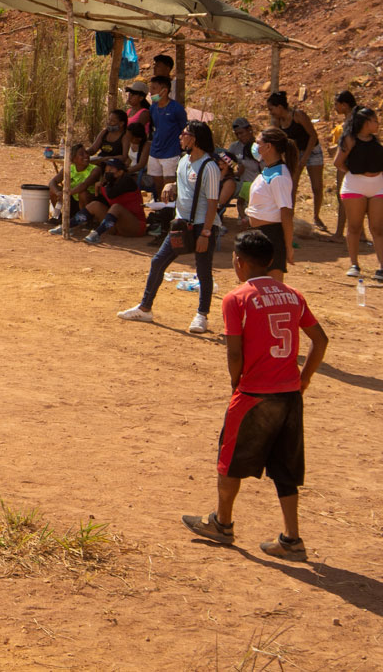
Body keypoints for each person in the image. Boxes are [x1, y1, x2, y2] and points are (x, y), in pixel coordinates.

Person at [181, 228, 326, 561]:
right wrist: (303, 380)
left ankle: (222, 523)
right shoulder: (293, 295)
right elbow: (320, 341)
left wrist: (236, 383)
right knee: (286, 467)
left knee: (230, 459)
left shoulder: (236, 298)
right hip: (289, 394)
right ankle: (291, 538)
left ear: (239, 261)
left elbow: (234, 353)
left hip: (254, 392)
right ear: (271, 260)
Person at [119, 121, 225, 332]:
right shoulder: (184, 161)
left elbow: (213, 202)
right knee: (158, 261)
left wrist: (205, 232)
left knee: (203, 270)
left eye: (184, 134)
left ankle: (201, 315)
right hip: (181, 224)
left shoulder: (209, 166)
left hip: (203, 226)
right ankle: (145, 307)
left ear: (193, 139)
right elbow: (184, 186)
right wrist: (171, 185)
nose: (180, 137)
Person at [334, 105, 383, 279]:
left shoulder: (376, 141)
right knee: (354, 226)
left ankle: (381, 266)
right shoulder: (350, 139)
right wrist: (355, 171)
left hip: (378, 185)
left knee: (378, 228)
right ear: (365, 122)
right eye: (375, 121)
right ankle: (354, 264)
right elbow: (338, 162)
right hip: (355, 186)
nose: (378, 124)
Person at [267, 91, 324, 237]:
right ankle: (289, 218)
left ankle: (316, 216)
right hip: (296, 154)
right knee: (292, 186)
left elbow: (313, 135)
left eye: (271, 109)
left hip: (312, 150)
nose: (270, 112)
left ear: (280, 107)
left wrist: (305, 157)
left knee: (317, 187)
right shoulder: (278, 122)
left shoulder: (298, 115)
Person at [242, 128, 298, 272]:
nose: (255, 146)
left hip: (271, 236)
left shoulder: (279, 176)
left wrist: (288, 246)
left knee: (272, 285)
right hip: (257, 234)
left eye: (258, 142)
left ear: (268, 147)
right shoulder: (268, 170)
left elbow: (286, 212)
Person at [326, 90, 357, 240]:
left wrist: (336, 150)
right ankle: (361, 233)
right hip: (353, 163)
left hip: (346, 162)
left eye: (336, 104)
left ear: (344, 105)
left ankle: (339, 233)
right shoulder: (357, 120)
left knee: (343, 197)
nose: (335, 108)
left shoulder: (351, 122)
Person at [220, 116, 263, 226]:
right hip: (239, 182)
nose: (240, 136)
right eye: (237, 134)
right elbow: (227, 164)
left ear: (249, 130)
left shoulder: (258, 147)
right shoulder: (234, 147)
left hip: (256, 183)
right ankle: (219, 214)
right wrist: (236, 172)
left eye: (242, 133)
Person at [146, 73, 187, 185]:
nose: (151, 92)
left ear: (164, 90)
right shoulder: (153, 108)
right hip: (155, 151)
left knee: (169, 185)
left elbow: (184, 127)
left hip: (171, 152)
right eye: (151, 88)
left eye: (154, 88)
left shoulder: (176, 108)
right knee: (157, 184)